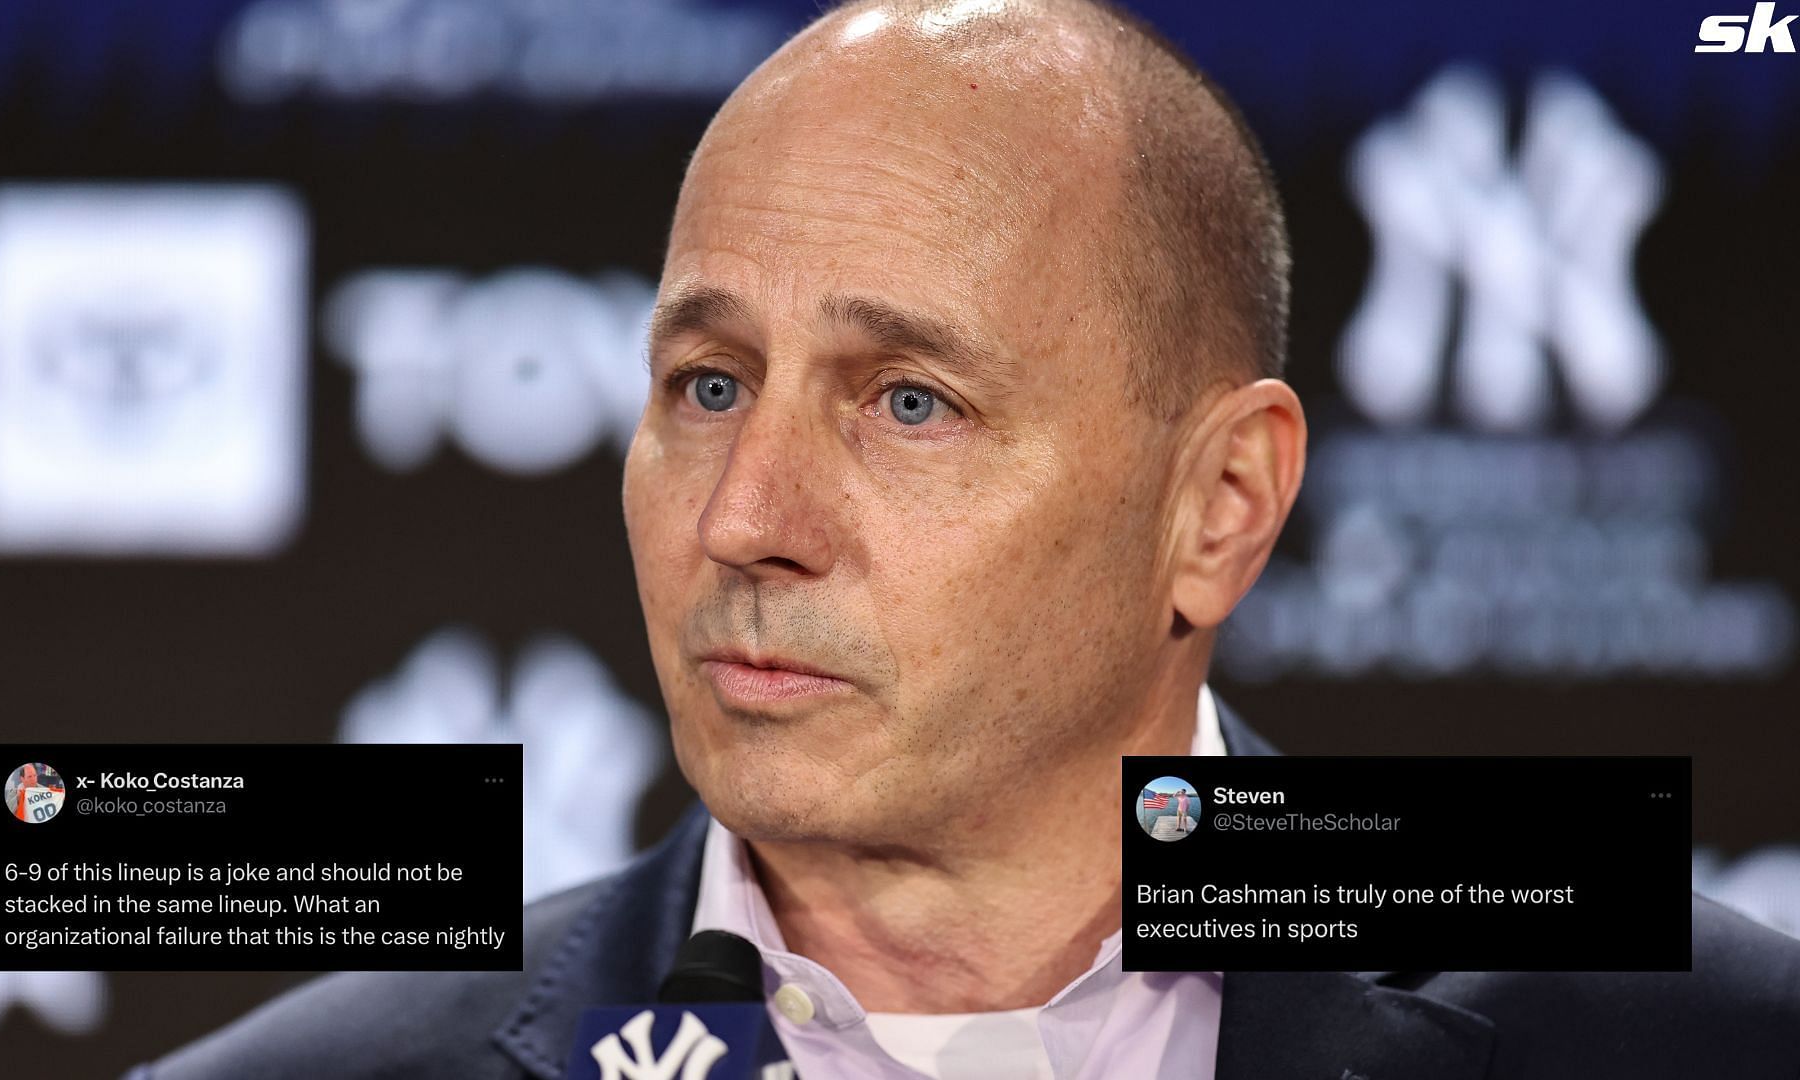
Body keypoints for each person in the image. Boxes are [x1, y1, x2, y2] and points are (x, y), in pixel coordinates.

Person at [132, 1, 1800, 1077]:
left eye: (908, 403)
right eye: (707, 385)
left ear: (1218, 509)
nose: (745, 521)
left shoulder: (1703, 1043)